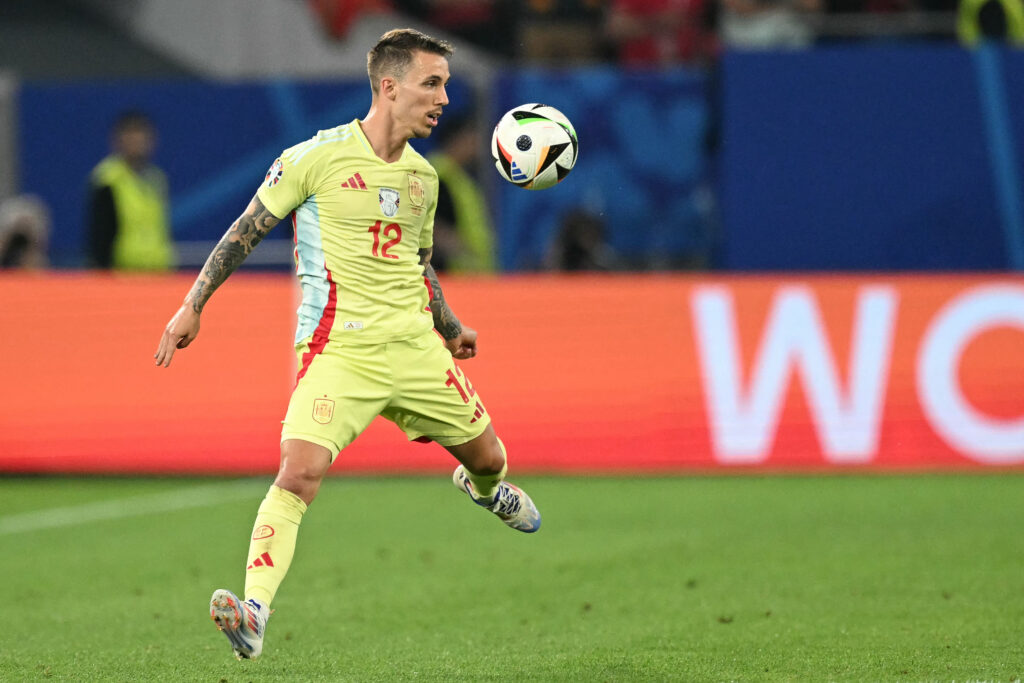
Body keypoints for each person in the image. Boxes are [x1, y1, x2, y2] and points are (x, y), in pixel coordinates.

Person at [153, 28, 541, 662]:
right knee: (298, 474)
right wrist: (193, 304)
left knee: (491, 458)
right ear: (389, 87)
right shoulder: (314, 157)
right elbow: (246, 229)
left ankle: (484, 489)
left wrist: (449, 328)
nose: (443, 98)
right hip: (340, 352)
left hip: (415, 349)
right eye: (431, 84)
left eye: (445, 84)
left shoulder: (424, 178)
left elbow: (418, 263)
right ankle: (254, 614)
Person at [87, 110, 176, 270]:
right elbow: (100, 236)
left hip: (158, 272)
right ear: (117, 140)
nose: (136, 143)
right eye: (130, 136)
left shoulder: (157, 178)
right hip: (122, 272)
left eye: (141, 136)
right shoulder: (107, 179)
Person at [426, 111, 497, 273]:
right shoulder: (436, 175)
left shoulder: (458, 177)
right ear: (458, 140)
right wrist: (464, 253)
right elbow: (429, 224)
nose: (477, 145)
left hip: (470, 275)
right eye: (472, 138)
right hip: (453, 275)